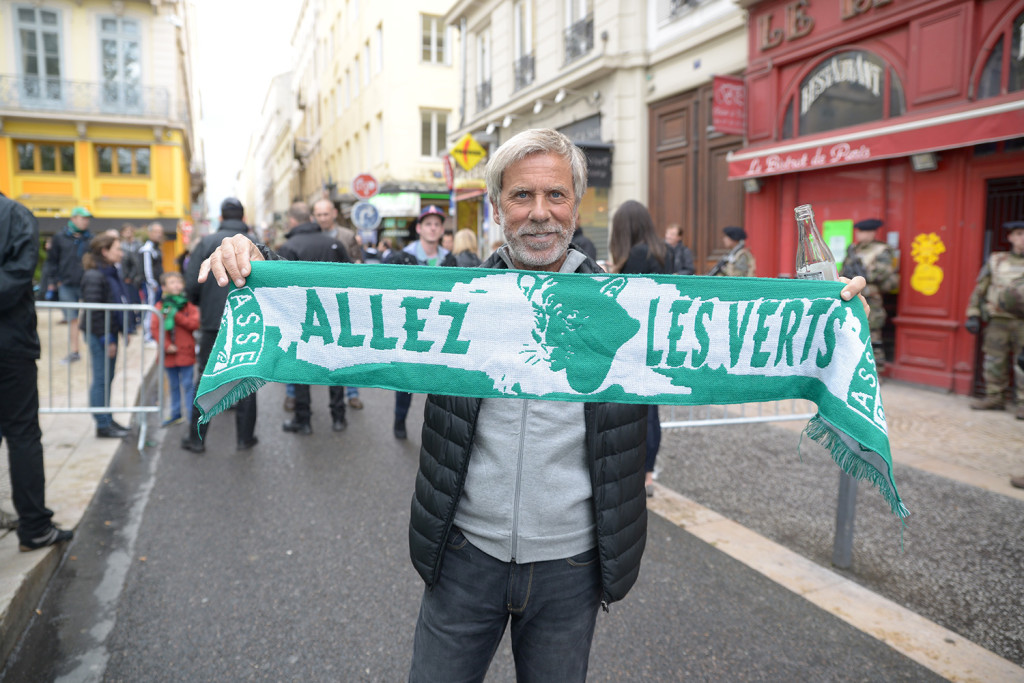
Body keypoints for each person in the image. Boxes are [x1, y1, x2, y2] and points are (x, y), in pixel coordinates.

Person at [197, 128, 869, 681]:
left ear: (577, 206)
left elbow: (725, 340)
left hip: (571, 570)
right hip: (463, 557)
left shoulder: (626, 307)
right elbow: (343, 294)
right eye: (521, 195)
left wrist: (828, 315)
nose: (539, 212)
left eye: (555, 194)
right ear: (496, 207)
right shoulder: (455, 292)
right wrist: (252, 257)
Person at [0, 192, 74, 551]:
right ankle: (34, 527)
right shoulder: (14, 214)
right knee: (22, 432)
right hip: (9, 344)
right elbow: (15, 280)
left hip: (11, 342)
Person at [181, 198, 259, 454]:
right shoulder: (255, 244)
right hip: (248, 322)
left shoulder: (206, 242)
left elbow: (191, 285)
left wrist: (203, 304)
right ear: (243, 217)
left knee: (206, 379)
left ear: (221, 217)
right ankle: (244, 438)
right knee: (246, 377)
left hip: (213, 322)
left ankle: (196, 439)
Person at [608, 200, 675, 498]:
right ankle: (648, 473)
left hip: (634, 337)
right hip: (657, 334)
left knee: (638, 408)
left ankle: (639, 472)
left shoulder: (636, 253)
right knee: (652, 409)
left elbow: (627, 297)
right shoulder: (664, 250)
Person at [277, 201, 351, 435]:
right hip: (334, 315)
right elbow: (350, 280)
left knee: (300, 369)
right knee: (335, 367)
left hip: (301, 317)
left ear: (292, 221)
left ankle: (304, 420)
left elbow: (283, 286)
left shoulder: (289, 246)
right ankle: (338, 417)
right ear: (311, 219)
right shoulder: (335, 244)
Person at [965, 220, 1024, 418]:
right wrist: (973, 313)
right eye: (1018, 233)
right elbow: (981, 287)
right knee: (994, 359)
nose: (1022, 238)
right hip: (998, 319)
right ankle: (994, 397)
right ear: (1010, 237)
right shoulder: (997, 260)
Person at [80, 233, 134, 439]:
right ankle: (102, 424)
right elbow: (95, 311)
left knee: (107, 377)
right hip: (100, 334)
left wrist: (124, 329)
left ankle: (107, 418)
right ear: (104, 251)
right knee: (102, 379)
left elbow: (117, 303)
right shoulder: (95, 275)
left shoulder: (110, 272)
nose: (121, 253)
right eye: (117, 249)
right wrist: (107, 338)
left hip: (109, 332)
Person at [840, 218, 899, 370]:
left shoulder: (882, 249)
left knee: (873, 331)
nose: (860, 235)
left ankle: (876, 369)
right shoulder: (853, 249)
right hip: (852, 294)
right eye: (859, 232)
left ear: (872, 232)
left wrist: (864, 276)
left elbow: (883, 272)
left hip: (871, 296)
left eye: (864, 231)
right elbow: (843, 270)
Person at [151, 271, 199, 427]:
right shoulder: (159, 307)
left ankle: (191, 416)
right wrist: (165, 346)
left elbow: (194, 324)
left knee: (187, 384)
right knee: (172, 385)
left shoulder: (187, 305)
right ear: (164, 287)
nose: (176, 285)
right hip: (169, 354)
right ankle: (175, 413)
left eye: (178, 282)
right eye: (172, 282)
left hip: (185, 352)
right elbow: (155, 328)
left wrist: (176, 315)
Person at [46, 206, 93, 363]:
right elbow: (52, 261)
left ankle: (91, 347)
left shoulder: (89, 239)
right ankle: (75, 350)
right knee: (72, 317)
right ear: (73, 218)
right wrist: (53, 282)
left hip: (86, 283)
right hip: (66, 283)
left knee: (89, 316)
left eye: (87, 219)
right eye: (82, 218)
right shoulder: (59, 237)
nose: (85, 221)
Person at [312, 198, 360, 263]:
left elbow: (358, 261)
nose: (322, 219)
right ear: (314, 216)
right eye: (319, 215)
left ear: (334, 213)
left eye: (326, 214)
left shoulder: (348, 236)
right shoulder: (312, 237)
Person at [139, 222, 165, 344]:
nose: (159, 234)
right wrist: (152, 283)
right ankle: (147, 336)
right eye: (156, 232)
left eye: (160, 232)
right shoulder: (147, 249)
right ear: (150, 233)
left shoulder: (156, 248)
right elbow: (147, 268)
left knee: (155, 308)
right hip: (151, 285)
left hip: (157, 284)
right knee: (150, 308)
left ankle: (152, 334)